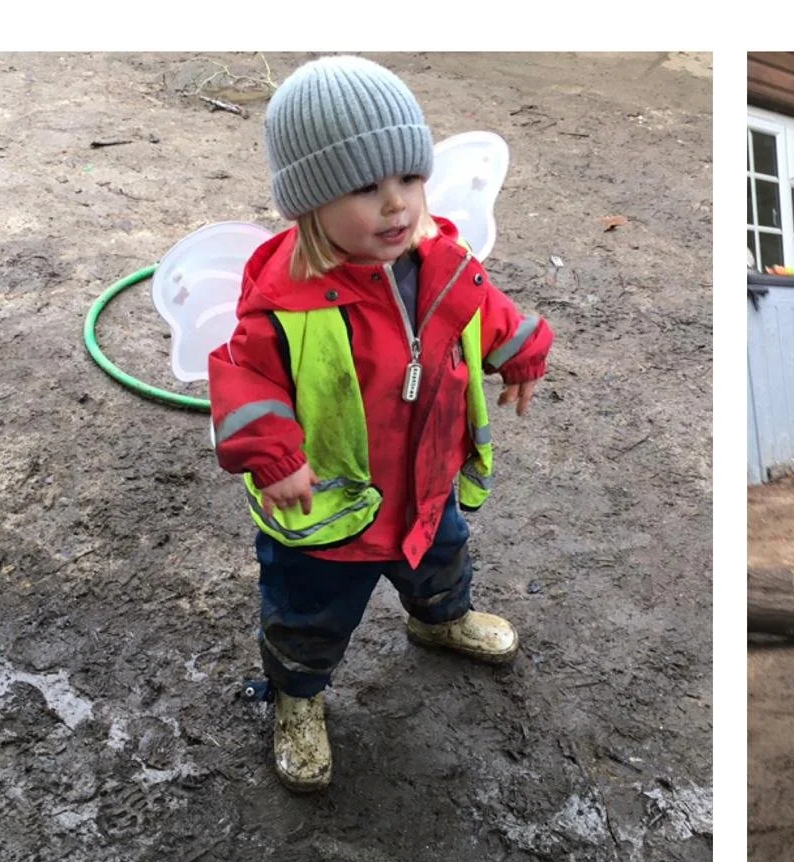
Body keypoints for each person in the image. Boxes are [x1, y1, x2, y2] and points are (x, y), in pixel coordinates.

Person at [209, 55, 554, 792]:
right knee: (308, 615)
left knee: (443, 563)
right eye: (366, 187)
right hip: (330, 513)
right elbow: (243, 376)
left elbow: (484, 310)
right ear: (310, 201)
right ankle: (297, 696)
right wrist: (273, 454)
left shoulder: (443, 257)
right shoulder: (283, 297)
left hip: (426, 488)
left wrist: (521, 349)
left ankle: (439, 620)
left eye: (410, 178)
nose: (397, 205)